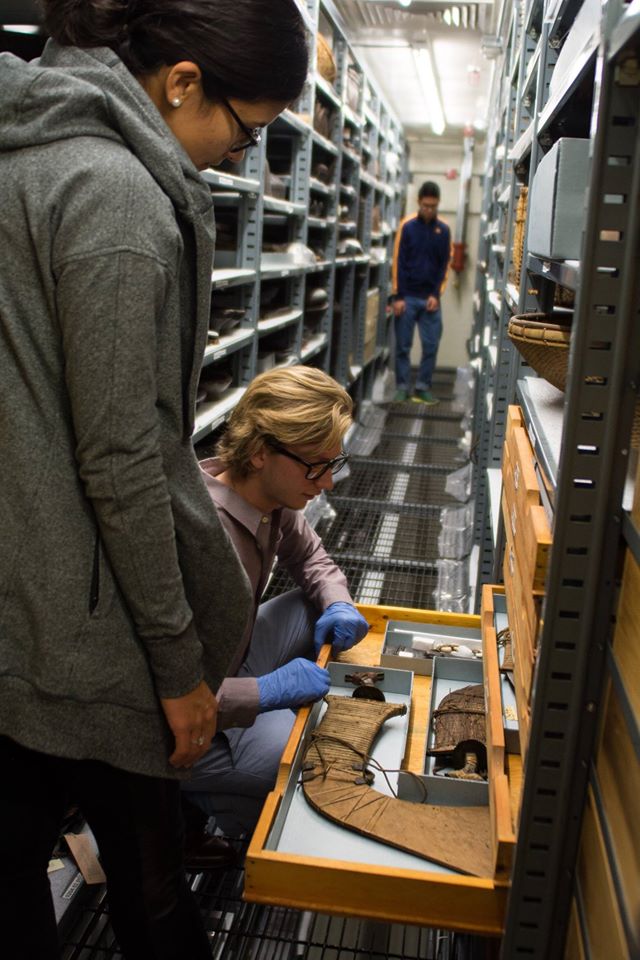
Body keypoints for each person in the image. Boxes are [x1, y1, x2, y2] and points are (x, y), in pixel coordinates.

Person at [0, 2, 308, 958]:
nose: (239, 157)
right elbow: (124, 460)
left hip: (26, 599)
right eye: (244, 129)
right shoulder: (120, 200)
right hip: (92, 632)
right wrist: (180, 668)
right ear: (180, 82)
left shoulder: (25, 148)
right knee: (148, 883)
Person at [181, 366, 370, 839]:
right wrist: (264, 693)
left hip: (235, 658)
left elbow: (311, 557)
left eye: (334, 463)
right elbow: (156, 691)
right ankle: (187, 811)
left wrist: (337, 602)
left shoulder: (272, 500)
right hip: (182, 716)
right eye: (315, 466)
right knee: (302, 765)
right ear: (262, 452)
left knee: (313, 607)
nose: (326, 483)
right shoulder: (200, 536)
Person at [392, 180, 452, 405]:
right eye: (426, 205)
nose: (429, 210)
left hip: (430, 299)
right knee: (403, 346)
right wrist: (398, 296)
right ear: (419, 202)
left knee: (431, 345)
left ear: (437, 205)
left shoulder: (443, 230)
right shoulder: (407, 226)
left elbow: (444, 264)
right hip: (406, 298)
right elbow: (399, 262)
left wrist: (436, 295)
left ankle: (423, 387)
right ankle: (402, 388)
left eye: (433, 206)